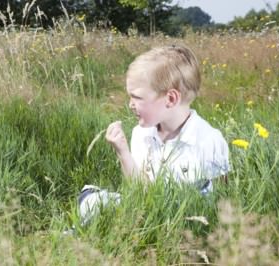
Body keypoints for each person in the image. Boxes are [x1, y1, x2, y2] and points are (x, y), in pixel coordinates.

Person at [78, 45, 229, 224]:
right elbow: (140, 192)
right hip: (148, 211)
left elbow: (220, 198)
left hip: (187, 218)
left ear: (171, 99)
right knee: (92, 202)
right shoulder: (141, 134)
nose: (130, 104)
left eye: (137, 97)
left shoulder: (208, 140)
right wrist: (123, 153)